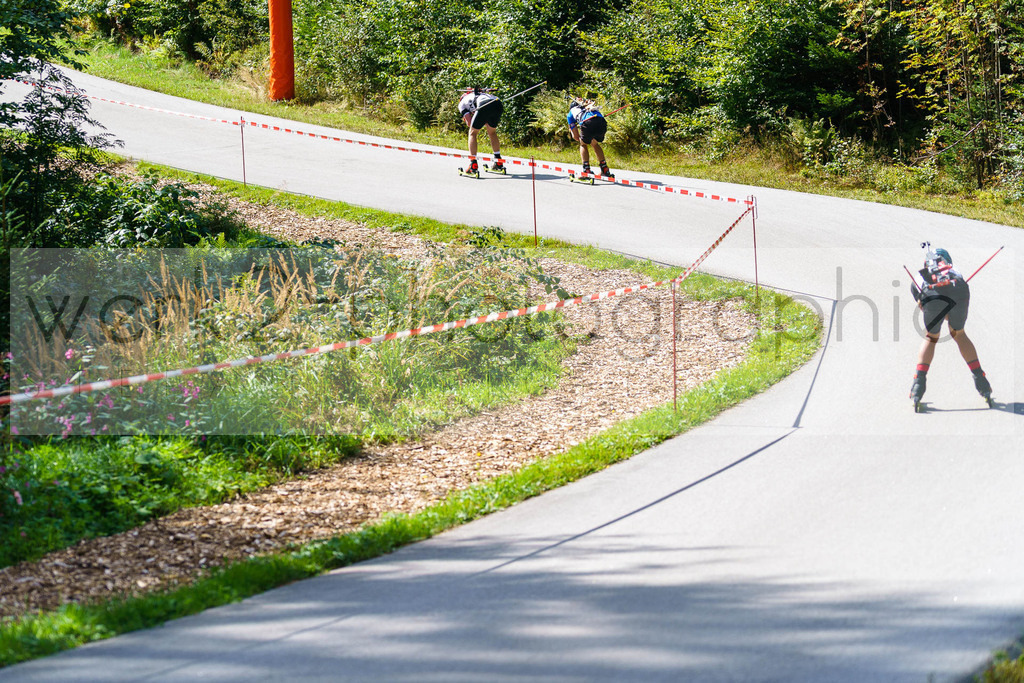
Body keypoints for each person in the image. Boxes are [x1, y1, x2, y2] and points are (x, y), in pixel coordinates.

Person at [909, 246, 992, 408]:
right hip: (959, 290)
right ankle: (981, 380)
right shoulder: (954, 269)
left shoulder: (919, 276)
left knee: (931, 337)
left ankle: (918, 384)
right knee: (959, 334)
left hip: (931, 294)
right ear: (947, 261)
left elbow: (924, 306)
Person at [458, 87, 504, 175]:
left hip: (484, 105)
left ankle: (473, 163)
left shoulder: (462, 104)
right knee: (492, 132)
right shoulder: (480, 94)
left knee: (472, 133)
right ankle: (498, 161)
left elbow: (469, 123)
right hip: (497, 103)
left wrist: (477, 121)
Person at [567, 96, 613, 179]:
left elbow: (576, 137)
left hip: (587, 122)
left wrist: (574, 129)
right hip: (601, 122)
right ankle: (605, 169)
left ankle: (586, 170)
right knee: (594, 143)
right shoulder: (589, 106)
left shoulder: (571, 113)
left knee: (583, 144)